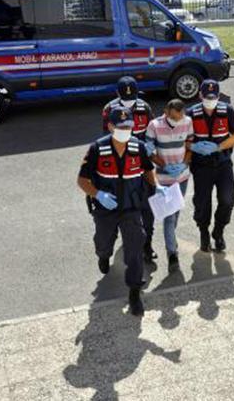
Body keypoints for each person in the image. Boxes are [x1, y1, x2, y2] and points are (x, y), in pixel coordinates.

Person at [78, 106, 168, 316]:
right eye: (121, 127)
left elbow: (147, 170)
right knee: (103, 240)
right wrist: (98, 194)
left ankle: (135, 293)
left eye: (129, 126)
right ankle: (103, 255)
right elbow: (82, 180)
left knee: (135, 247)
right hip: (105, 210)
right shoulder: (97, 149)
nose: (126, 130)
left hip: (131, 208)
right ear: (110, 126)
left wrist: (156, 187)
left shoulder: (138, 147)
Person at [101, 77, 158, 266]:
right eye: (125, 99)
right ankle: (110, 248)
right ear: (117, 94)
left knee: (147, 212)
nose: (129, 102)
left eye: (132, 98)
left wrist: (150, 146)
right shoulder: (109, 110)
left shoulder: (144, 107)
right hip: (120, 172)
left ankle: (147, 246)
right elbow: (107, 138)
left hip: (142, 168)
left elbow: (151, 131)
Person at [187, 79, 234, 253]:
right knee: (202, 203)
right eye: (207, 96)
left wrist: (218, 147)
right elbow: (183, 140)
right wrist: (193, 147)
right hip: (201, 165)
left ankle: (218, 232)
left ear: (218, 96)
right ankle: (204, 232)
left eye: (214, 96)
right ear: (200, 95)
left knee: (228, 198)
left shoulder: (228, 111)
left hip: (223, 163)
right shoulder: (191, 114)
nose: (210, 100)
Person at [145, 99, 194, 273]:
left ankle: (170, 239)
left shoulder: (187, 122)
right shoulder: (154, 126)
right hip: (164, 179)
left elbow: (189, 146)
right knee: (169, 216)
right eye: (174, 118)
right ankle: (172, 253)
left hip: (181, 177)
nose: (178, 121)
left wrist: (184, 165)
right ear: (166, 112)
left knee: (176, 213)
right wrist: (164, 165)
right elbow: (148, 151)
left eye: (180, 117)